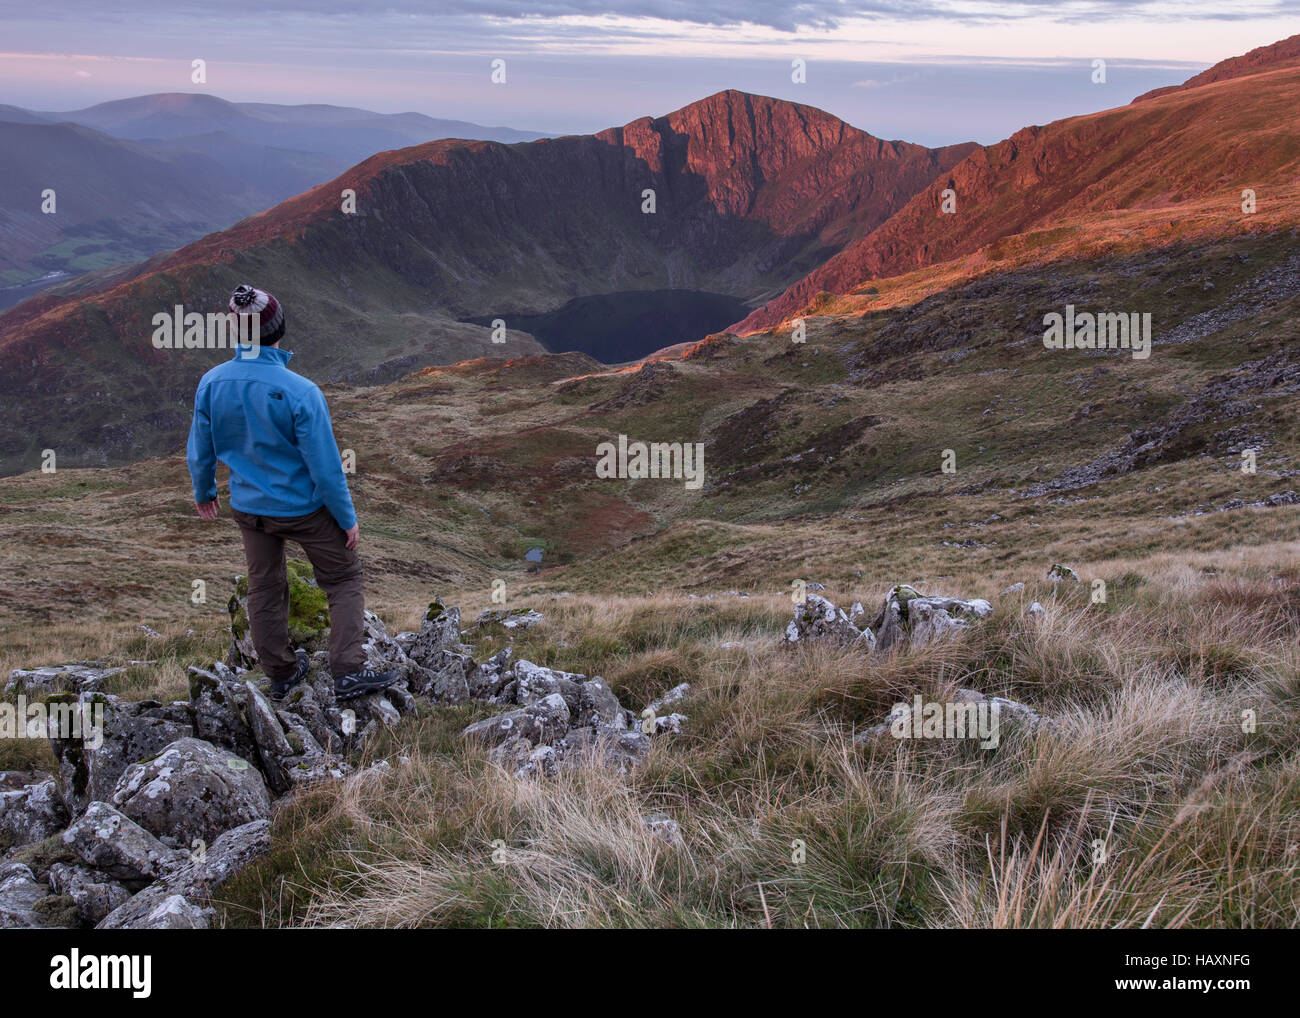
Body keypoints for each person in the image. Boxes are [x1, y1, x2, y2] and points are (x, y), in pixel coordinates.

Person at [186, 284, 397, 701]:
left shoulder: (212, 383)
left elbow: (201, 447)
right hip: (303, 508)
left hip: (249, 508)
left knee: (264, 585)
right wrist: (346, 518)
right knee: (343, 578)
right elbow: (324, 468)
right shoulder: (301, 392)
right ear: (279, 330)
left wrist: (204, 489)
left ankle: (281, 673)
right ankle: (347, 672)